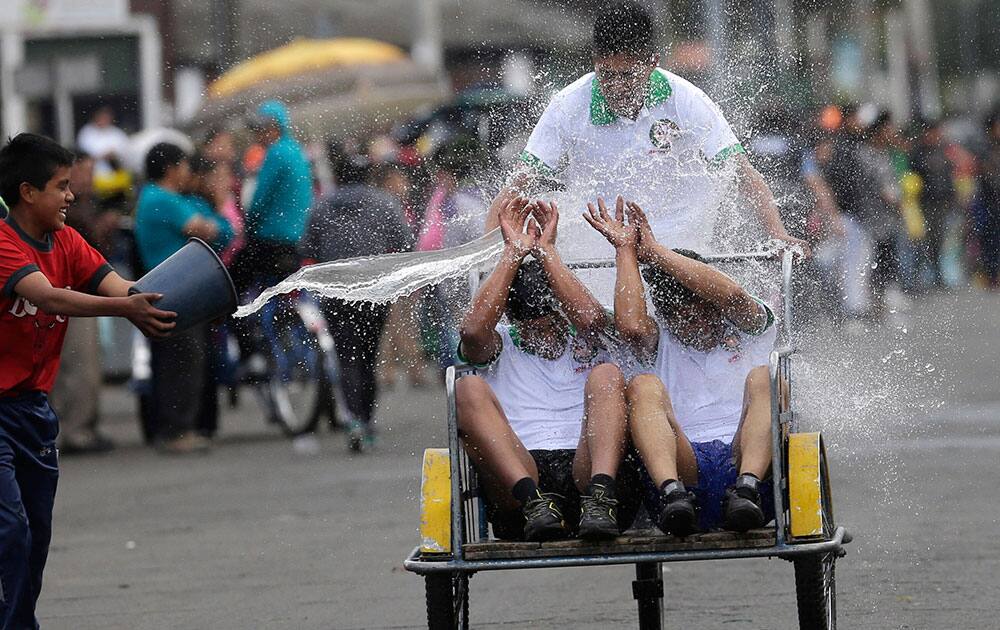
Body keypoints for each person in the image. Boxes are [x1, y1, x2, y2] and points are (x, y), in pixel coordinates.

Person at [0, 133, 174, 628]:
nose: (72, 195)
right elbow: (50, 297)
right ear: (28, 192)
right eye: (61, 186)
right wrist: (126, 308)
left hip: (33, 411)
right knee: (10, 528)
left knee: (35, 537)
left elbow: (121, 287)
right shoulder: (3, 242)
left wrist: (169, 299)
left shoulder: (69, 242)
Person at [486, 1, 805, 257]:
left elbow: (742, 173)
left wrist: (778, 235)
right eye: (606, 74)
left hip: (680, 249)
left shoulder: (686, 100)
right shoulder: (567, 106)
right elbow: (517, 185)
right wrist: (487, 259)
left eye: (627, 76)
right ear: (596, 60)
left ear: (652, 63)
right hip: (602, 254)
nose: (615, 86)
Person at [585, 197, 776, 537]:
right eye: (682, 315)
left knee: (765, 378)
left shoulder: (749, 328)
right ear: (667, 316)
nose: (696, 321)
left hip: (748, 463)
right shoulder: (659, 341)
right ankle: (672, 490)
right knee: (643, 385)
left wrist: (656, 252)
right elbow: (630, 326)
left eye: (702, 309)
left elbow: (731, 297)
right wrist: (626, 250)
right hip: (682, 472)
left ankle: (746, 487)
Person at [456, 197, 640, 541]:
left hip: (588, 474)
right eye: (530, 326)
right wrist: (513, 253)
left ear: (561, 312)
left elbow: (591, 319)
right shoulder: (501, 344)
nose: (542, 333)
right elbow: (471, 332)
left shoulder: (587, 334)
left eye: (549, 323)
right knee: (467, 387)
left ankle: (600, 496)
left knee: (607, 374)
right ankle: (534, 503)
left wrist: (546, 252)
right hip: (523, 487)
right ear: (512, 320)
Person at [299, 149, 414, 452]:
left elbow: (307, 248)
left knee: (347, 354)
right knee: (368, 355)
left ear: (336, 176)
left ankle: (354, 419)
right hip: (374, 291)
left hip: (337, 292)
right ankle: (366, 419)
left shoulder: (322, 206)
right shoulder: (386, 204)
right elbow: (405, 244)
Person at [133, 143, 233, 453]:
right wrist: (214, 220)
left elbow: (224, 230)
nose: (188, 172)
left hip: (180, 291)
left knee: (185, 360)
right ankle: (176, 431)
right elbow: (204, 228)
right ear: (171, 168)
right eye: (185, 166)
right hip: (174, 292)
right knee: (181, 361)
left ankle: (180, 428)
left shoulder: (164, 199)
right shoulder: (160, 198)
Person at [48, 151, 119, 454]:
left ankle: (76, 428)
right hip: (69, 294)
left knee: (79, 365)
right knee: (79, 366)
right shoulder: (66, 212)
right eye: (82, 171)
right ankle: (78, 431)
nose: (88, 178)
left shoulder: (82, 205)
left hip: (78, 292)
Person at [231, 100, 313, 297]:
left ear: (274, 127)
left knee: (233, 283)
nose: (256, 134)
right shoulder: (295, 150)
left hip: (272, 240)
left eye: (260, 128)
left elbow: (260, 200)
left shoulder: (276, 153)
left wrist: (247, 226)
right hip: (293, 241)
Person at [75, 105, 129, 178]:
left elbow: (126, 152)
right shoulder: (86, 132)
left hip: (115, 176)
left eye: (106, 117)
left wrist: (115, 155)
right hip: (93, 175)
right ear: (96, 117)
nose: (104, 119)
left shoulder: (117, 133)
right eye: (102, 117)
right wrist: (102, 156)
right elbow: (83, 155)